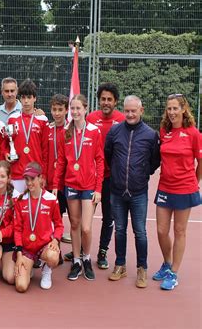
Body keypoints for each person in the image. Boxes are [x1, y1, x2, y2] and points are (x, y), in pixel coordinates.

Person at [105, 95, 160, 288]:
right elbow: (108, 154)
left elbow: (155, 161)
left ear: (141, 111)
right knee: (119, 230)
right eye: (126, 111)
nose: (129, 114)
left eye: (133, 111)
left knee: (140, 232)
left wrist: (143, 173)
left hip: (138, 192)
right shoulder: (114, 131)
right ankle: (120, 265)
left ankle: (142, 268)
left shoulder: (151, 135)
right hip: (117, 191)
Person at [53, 94, 104, 281]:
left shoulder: (94, 131)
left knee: (86, 227)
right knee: (74, 224)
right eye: (72, 108)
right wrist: (55, 186)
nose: (75, 112)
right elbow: (60, 162)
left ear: (85, 109)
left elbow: (100, 160)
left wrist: (98, 189)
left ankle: (87, 257)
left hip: (89, 185)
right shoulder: (65, 131)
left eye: (78, 108)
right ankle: (76, 260)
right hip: (70, 184)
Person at [153, 94, 201, 291]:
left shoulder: (193, 133)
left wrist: (194, 181)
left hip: (185, 188)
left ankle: (174, 273)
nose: (172, 112)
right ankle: (167, 263)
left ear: (183, 109)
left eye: (175, 108)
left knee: (179, 231)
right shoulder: (164, 131)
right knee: (161, 231)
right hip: (165, 186)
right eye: (169, 109)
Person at [86, 83, 125, 269]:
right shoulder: (91, 118)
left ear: (115, 101)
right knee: (84, 217)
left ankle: (102, 252)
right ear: (99, 100)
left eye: (110, 99)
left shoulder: (123, 120)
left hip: (111, 178)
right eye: (103, 99)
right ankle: (81, 251)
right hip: (91, 177)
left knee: (108, 217)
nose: (106, 102)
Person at [14, 162, 63, 292]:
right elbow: (17, 229)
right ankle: (29, 267)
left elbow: (59, 225)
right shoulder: (20, 200)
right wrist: (19, 253)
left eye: (32, 179)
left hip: (44, 246)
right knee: (21, 287)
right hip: (27, 249)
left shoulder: (51, 199)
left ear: (41, 178)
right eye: (26, 179)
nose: (29, 183)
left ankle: (47, 269)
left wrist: (55, 240)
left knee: (53, 256)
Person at [7, 79, 49, 193]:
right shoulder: (12, 119)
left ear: (34, 98)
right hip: (17, 173)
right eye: (23, 97)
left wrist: (43, 174)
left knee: (34, 208)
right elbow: (8, 145)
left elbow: (45, 151)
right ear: (20, 98)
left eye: (29, 97)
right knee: (16, 207)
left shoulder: (42, 120)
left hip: (35, 174)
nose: (26, 101)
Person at [46, 94, 70, 248]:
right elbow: (43, 154)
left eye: (60, 109)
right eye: (54, 109)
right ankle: (55, 250)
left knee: (74, 219)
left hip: (67, 181)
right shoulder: (47, 129)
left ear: (66, 110)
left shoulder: (71, 130)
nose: (57, 113)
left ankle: (79, 254)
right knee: (53, 217)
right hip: (50, 180)